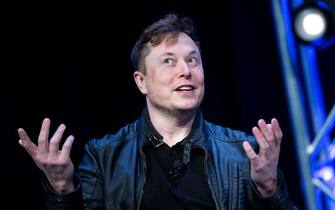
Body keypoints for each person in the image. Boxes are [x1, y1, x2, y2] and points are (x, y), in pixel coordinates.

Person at [17, 13, 296, 210]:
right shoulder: (104, 156)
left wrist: (269, 190)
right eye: (168, 61)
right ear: (141, 82)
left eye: (192, 60)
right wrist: (62, 187)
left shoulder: (243, 151)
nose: (185, 71)